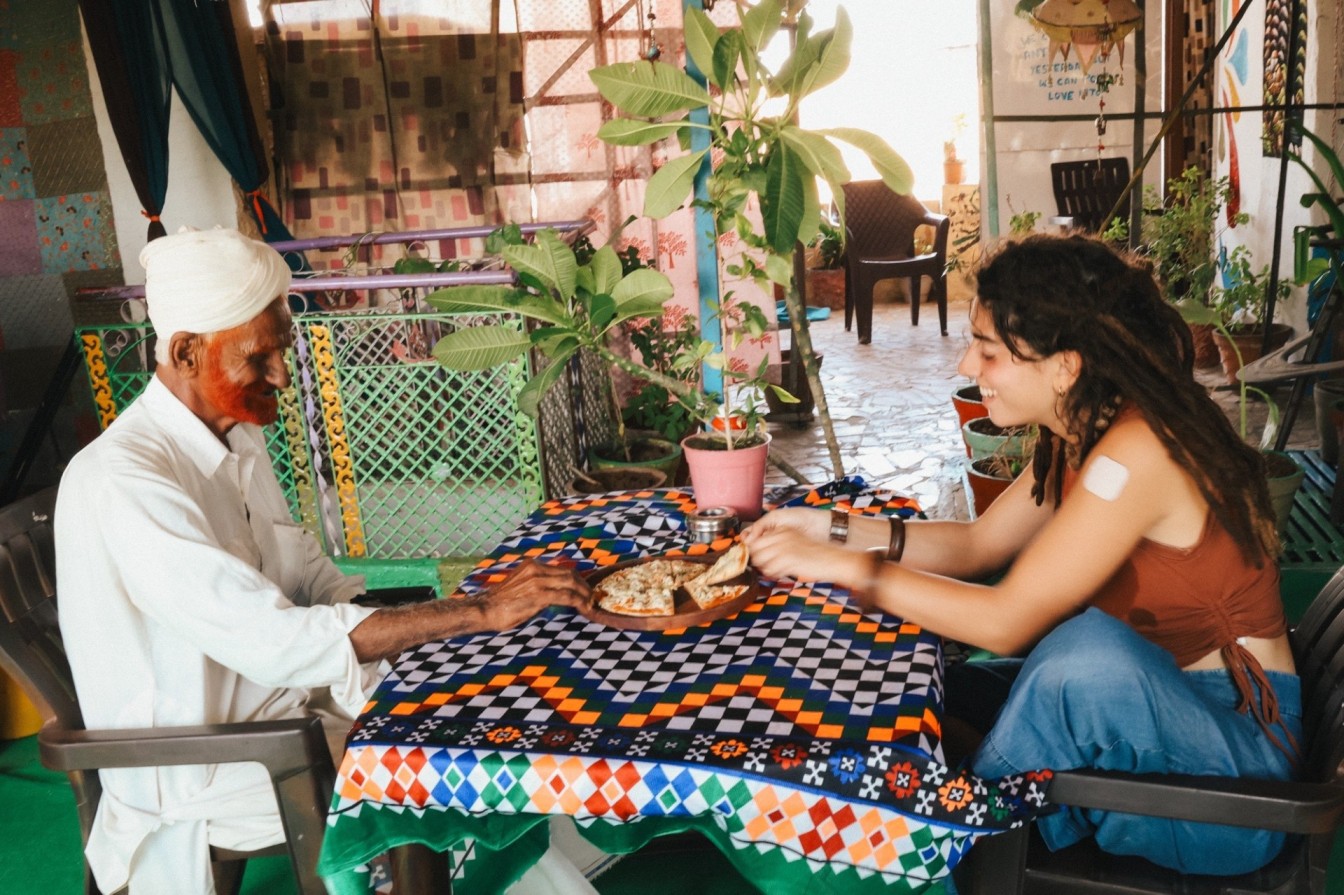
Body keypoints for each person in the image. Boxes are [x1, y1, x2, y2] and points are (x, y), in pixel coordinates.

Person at [742, 233, 1300, 877]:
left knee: (1085, 658)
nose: (965, 367)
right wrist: (828, 531)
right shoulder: (1085, 429)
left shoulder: (1140, 449)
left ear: (1064, 365)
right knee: (924, 673)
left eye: (988, 350)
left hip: (1236, 782)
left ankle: (944, 842)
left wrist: (846, 569)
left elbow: (1006, 621)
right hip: (1164, 722)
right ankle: (919, 808)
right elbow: (977, 545)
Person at [55, 227, 590, 894]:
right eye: (260, 357)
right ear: (188, 352)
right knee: (436, 777)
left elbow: (308, 574)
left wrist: (416, 641)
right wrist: (476, 610)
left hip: (290, 715)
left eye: (283, 350)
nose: (282, 373)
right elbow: (274, 640)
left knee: (480, 718)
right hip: (212, 764)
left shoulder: (237, 439)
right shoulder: (125, 480)